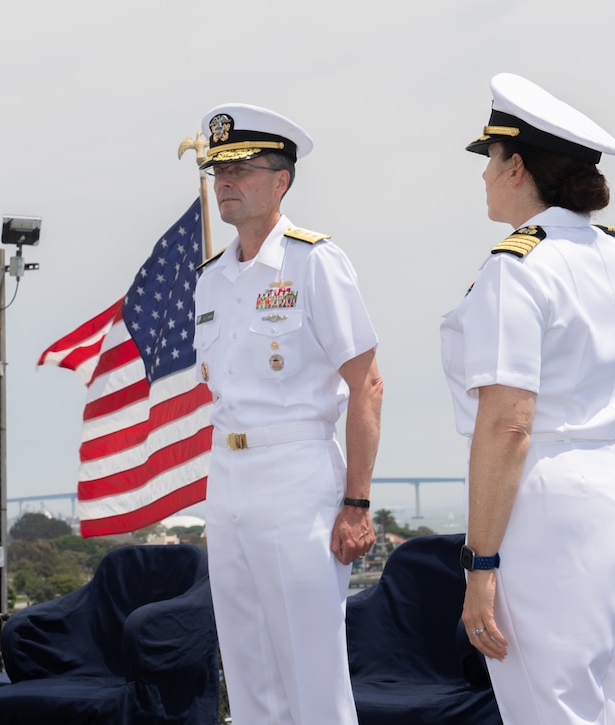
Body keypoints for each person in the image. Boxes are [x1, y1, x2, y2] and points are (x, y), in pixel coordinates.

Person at [441, 73, 615, 723]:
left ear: (516, 167)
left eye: (489, 158)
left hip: (552, 505)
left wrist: (480, 563)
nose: (483, 174)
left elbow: (508, 425)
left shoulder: (516, 268)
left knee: (554, 710)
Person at [193, 103, 382, 724]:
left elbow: (368, 384)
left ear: (282, 180)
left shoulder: (313, 262)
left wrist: (356, 502)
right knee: (248, 669)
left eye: (242, 169)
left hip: (297, 473)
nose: (224, 182)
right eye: (218, 169)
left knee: (310, 666)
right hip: (227, 478)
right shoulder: (212, 278)